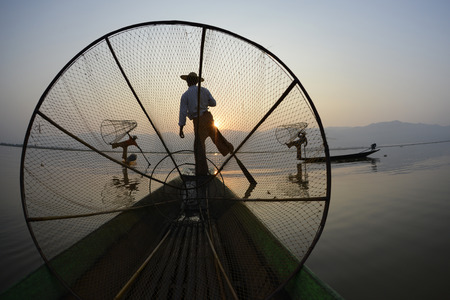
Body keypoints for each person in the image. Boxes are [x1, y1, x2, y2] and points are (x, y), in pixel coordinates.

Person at [178, 72, 234, 175]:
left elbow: (182, 112)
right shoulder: (204, 91)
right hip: (208, 118)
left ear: (188, 82)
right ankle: (229, 149)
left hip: (199, 122)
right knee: (218, 138)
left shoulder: (185, 95)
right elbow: (213, 103)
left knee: (199, 147)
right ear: (196, 82)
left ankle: (202, 172)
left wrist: (181, 128)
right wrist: (203, 102)